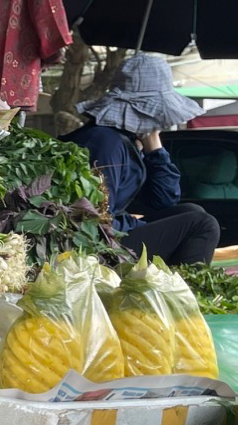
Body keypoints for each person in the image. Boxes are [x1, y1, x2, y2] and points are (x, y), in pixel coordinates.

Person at [62, 54, 220, 266]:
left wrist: (155, 149)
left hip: (112, 232)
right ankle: (184, 295)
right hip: (97, 246)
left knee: (192, 211)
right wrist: (135, 227)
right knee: (203, 225)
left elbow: (163, 200)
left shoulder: (126, 141)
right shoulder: (105, 144)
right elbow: (94, 218)